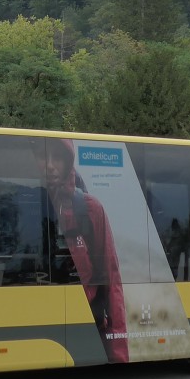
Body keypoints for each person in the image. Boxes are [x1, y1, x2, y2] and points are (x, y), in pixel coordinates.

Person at [41, 139, 129, 363]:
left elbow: (112, 278)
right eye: (44, 157)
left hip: (88, 321)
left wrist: (117, 352)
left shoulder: (90, 209)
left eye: (58, 157)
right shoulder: (27, 202)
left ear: (69, 162)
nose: (50, 165)